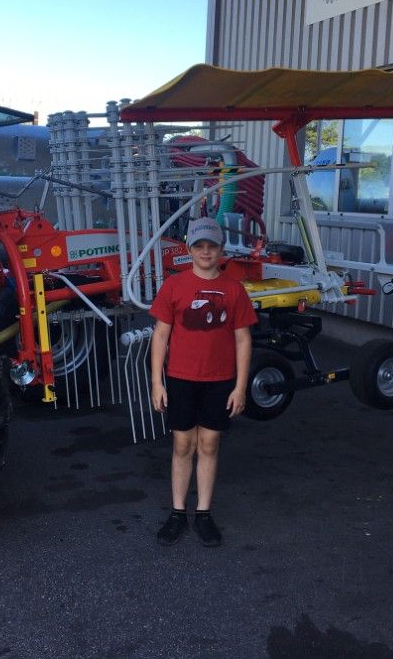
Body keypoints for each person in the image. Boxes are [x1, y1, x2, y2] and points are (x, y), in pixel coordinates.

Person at [149, 216, 257, 546]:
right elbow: (161, 336)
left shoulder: (234, 290)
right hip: (181, 379)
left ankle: (205, 513)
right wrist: (157, 381)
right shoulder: (174, 286)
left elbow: (243, 340)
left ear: (221, 249)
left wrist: (240, 386)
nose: (206, 252)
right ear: (189, 249)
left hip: (220, 381)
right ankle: (178, 512)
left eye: (212, 246)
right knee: (183, 445)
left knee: (209, 445)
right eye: (200, 246)